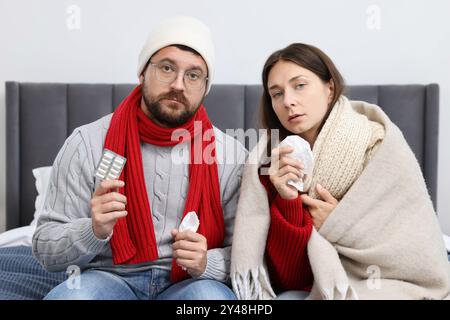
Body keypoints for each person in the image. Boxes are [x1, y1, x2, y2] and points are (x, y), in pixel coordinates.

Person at [32, 16, 247, 300]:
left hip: (189, 283)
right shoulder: (86, 143)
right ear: (142, 73)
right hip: (108, 277)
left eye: (193, 75)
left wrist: (208, 263)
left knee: (211, 301)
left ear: (205, 87)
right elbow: (45, 251)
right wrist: (92, 230)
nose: (178, 85)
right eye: (167, 68)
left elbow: (250, 256)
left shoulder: (230, 156)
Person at [230, 43, 450, 300]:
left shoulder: (377, 144)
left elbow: (414, 248)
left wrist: (338, 223)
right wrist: (288, 201)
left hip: (390, 281)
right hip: (315, 286)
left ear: (329, 87)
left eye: (299, 85)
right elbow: (289, 280)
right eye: (276, 94)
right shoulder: (271, 164)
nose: (288, 101)